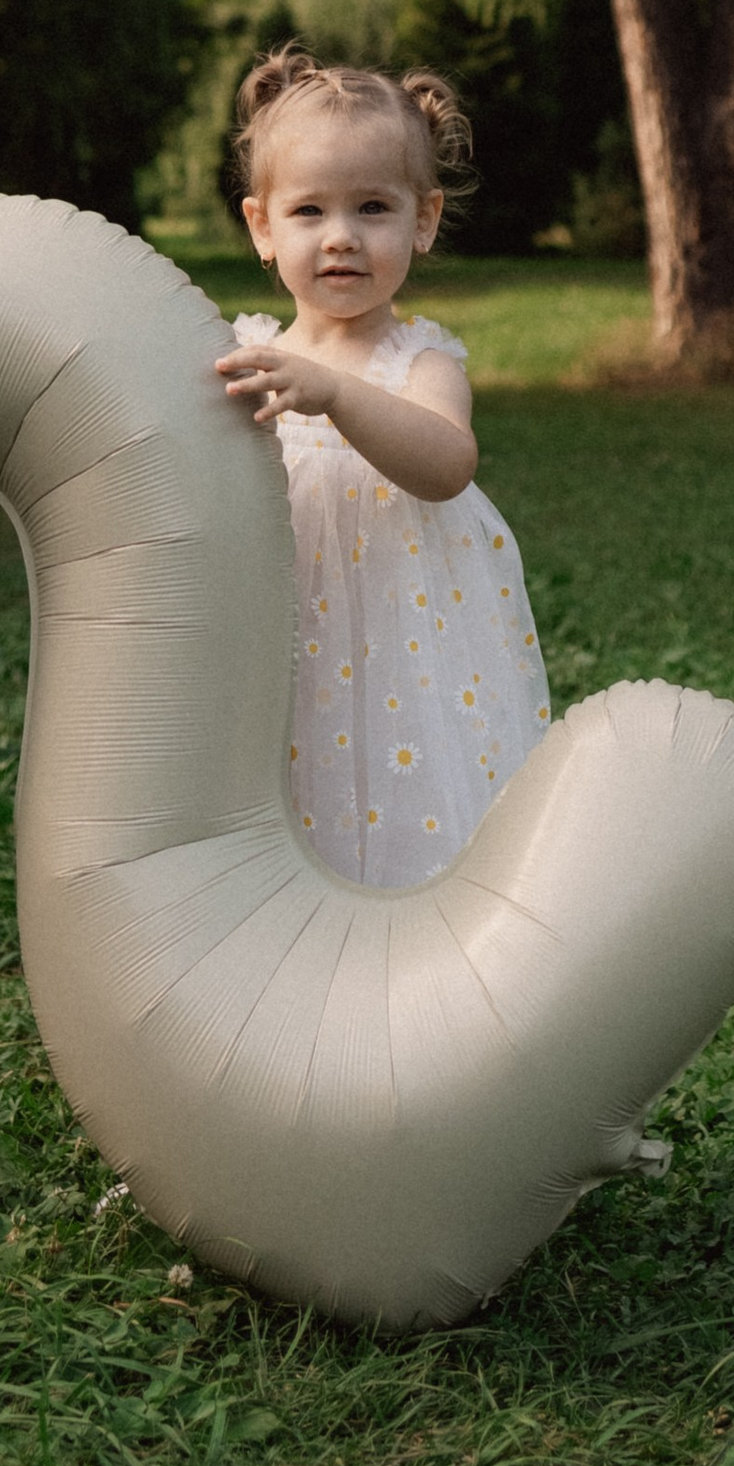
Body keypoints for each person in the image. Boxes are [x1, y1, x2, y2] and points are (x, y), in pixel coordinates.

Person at [215, 46, 551, 885]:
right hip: (286, 636)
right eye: (308, 212)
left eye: (373, 207)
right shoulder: (243, 355)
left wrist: (333, 391)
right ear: (262, 226)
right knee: (284, 795)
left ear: (424, 220)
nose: (341, 238)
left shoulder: (421, 360)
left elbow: (446, 465)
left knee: (402, 795)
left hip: (406, 643)